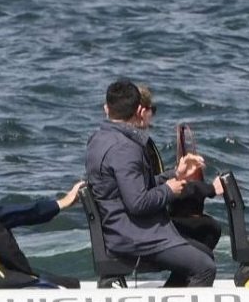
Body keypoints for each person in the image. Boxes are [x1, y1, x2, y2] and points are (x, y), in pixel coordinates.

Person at [85, 79, 216, 287]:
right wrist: (169, 190)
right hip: (134, 237)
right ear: (139, 110)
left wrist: (175, 173)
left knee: (204, 253)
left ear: (106, 109)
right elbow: (137, 202)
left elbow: (133, 186)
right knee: (205, 267)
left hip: (122, 229)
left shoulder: (99, 139)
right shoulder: (125, 148)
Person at [0, 140, 79, 289]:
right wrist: (27, 273)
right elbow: (1, 242)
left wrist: (60, 204)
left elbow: (10, 214)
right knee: (64, 287)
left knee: (68, 283)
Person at [136, 84, 224, 251]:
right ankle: (187, 276)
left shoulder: (132, 144)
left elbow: (149, 183)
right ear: (142, 111)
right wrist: (210, 189)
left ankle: (183, 275)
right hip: (145, 227)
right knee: (210, 228)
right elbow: (147, 191)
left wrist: (177, 173)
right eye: (152, 109)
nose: (152, 115)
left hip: (139, 221)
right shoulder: (137, 147)